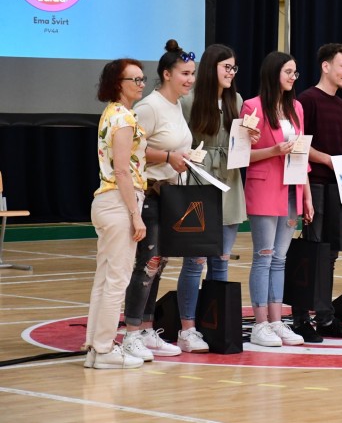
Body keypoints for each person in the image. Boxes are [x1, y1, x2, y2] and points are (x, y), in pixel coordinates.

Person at [121, 40, 195, 361]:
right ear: (166, 74)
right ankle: (131, 333)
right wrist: (167, 156)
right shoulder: (149, 107)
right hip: (150, 195)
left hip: (172, 195)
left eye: (192, 74)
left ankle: (147, 329)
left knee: (159, 263)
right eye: (184, 74)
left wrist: (184, 158)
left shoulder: (176, 105)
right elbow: (132, 149)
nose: (190, 79)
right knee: (146, 265)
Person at [179, 44, 250, 352]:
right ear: (212, 68)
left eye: (234, 68)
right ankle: (187, 329)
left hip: (230, 181)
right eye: (226, 67)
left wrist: (249, 139)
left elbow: (239, 145)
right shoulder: (189, 100)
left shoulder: (237, 100)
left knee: (221, 260)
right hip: (199, 182)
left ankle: (216, 325)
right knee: (195, 261)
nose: (231, 73)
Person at [242, 51, 314, 347]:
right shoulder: (252, 106)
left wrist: (307, 197)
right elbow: (242, 154)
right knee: (264, 256)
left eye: (295, 73)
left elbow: (302, 154)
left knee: (280, 259)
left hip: (292, 189)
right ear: (273, 73)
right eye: (288, 72)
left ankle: (276, 321)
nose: (293, 77)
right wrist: (274, 151)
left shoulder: (296, 107)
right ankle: (260, 324)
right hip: (263, 187)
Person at [291, 43, 342, 342]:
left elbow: (341, 148)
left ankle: (325, 316)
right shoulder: (307, 100)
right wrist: (331, 160)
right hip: (315, 185)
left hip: (338, 187)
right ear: (326, 66)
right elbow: (299, 145)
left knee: (331, 253)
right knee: (313, 252)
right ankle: (300, 317)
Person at [83, 59, 147, 369]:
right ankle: (105, 348)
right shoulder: (123, 118)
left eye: (142, 78)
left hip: (107, 202)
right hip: (119, 202)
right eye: (134, 79)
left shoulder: (111, 113)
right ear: (117, 84)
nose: (141, 84)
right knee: (117, 280)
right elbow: (122, 170)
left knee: (105, 278)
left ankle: (95, 349)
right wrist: (136, 214)